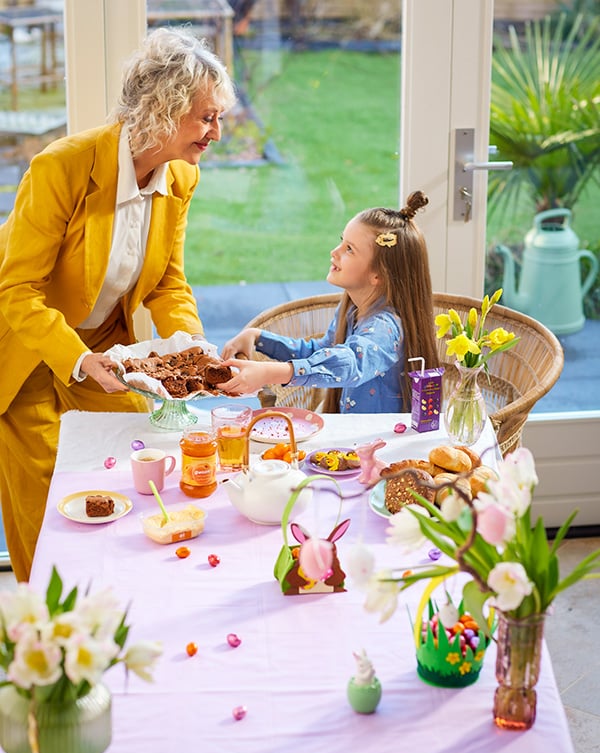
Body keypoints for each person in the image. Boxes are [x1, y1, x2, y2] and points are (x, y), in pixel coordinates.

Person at [0, 27, 236, 582]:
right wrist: (77, 360)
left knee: (145, 459)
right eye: (206, 117)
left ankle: (129, 594)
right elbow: (16, 290)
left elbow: (167, 283)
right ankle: (54, 627)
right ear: (164, 108)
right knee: (45, 500)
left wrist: (194, 349)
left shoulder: (181, 175)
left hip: (104, 346)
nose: (217, 133)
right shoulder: (61, 168)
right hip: (29, 352)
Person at [219, 190, 439, 414]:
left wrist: (272, 372)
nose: (335, 252)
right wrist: (258, 337)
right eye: (341, 242)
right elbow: (322, 352)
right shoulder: (353, 310)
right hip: (352, 439)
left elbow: (350, 363)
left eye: (349, 249)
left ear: (378, 275)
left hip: (383, 446)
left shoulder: (386, 327)